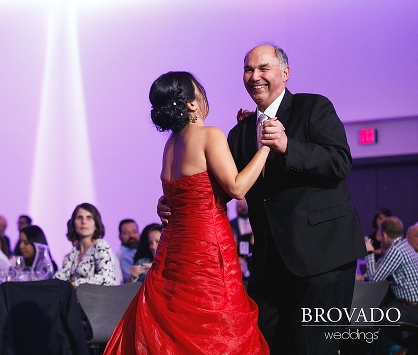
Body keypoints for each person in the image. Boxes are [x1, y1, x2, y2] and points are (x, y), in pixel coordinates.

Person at [155, 45, 365, 353]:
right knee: (262, 344)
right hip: (270, 263)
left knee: (315, 348)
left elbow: (339, 163)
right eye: (248, 70)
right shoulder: (239, 133)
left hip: (323, 257)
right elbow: (227, 187)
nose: (255, 77)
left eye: (263, 68)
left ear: (285, 73)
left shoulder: (313, 107)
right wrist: (177, 198)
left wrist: (287, 145)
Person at [105, 71, 269, 354]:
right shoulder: (209, 135)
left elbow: (194, 190)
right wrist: (266, 147)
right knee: (217, 327)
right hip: (207, 247)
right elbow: (237, 187)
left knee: (176, 322)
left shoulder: (170, 145)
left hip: (173, 250)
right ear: (192, 103)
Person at [363, 216, 418, 354]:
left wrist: (369, 252)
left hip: (411, 308)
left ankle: (398, 351)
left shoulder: (396, 250)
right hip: (409, 305)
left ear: (384, 235)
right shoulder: (404, 246)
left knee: (366, 319)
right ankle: (397, 349)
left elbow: (375, 278)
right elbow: (383, 269)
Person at [54, 203, 119, 287]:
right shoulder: (75, 251)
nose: (84, 222)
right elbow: (61, 277)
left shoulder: (101, 246)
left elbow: (106, 278)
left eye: (89, 218)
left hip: (97, 299)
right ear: (74, 223)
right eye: (79, 218)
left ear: (96, 225)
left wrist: (76, 284)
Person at [230, 198, 253, 279]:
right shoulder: (231, 224)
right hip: (238, 261)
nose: (243, 208)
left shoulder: (255, 221)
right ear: (236, 208)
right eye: (240, 206)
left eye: (245, 205)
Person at [116, 219, 139, 283]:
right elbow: (133, 282)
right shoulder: (122, 257)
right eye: (126, 233)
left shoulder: (145, 250)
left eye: (134, 232)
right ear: (120, 237)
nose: (131, 236)